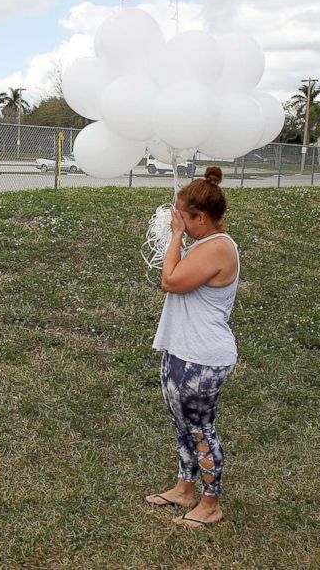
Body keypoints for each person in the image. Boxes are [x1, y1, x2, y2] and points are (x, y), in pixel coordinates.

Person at [144, 166, 239, 529]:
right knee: (182, 425)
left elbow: (170, 280)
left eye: (181, 216)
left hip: (204, 356)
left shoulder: (217, 248)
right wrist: (183, 237)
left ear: (199, 217)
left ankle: (211, 503)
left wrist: (175, 236)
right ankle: (185, 489)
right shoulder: (204, 245)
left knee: (200, 429)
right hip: (182, 349)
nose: (176, 220)